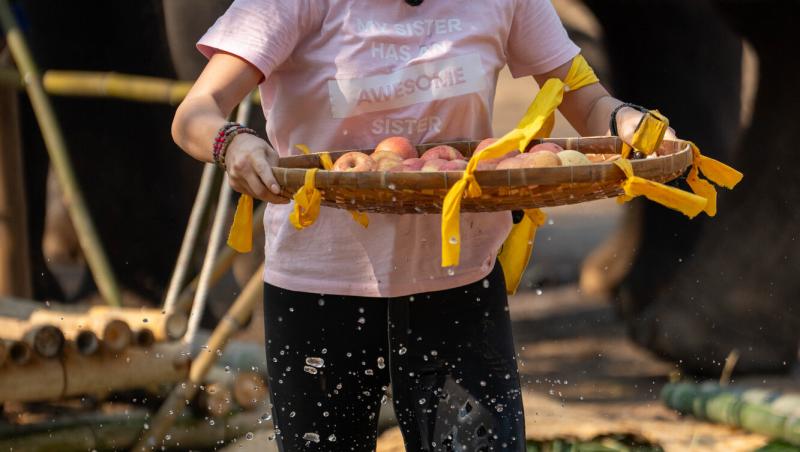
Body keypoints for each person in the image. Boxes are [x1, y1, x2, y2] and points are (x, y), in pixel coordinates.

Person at [172, 1, 675, 450]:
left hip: (458, 288)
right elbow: (194, 113)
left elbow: (587, 100)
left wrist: (630, 124)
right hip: (319, 298)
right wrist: (233, 142)